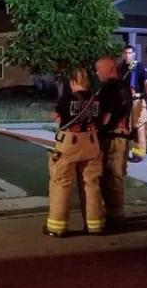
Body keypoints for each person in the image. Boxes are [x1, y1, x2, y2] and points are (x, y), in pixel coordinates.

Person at [44, 67, 104, 237]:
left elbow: (57, 117)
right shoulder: (96, 99)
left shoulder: (67, 98)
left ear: (71, 82)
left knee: (61, 183)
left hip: (70, 143)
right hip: (92, 142)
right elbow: (100, 119)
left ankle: (57, 227)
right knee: (91, 184)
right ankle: (95, 225)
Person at [96, 57, 132, 228]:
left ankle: (115, 216)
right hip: (123, 137)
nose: (96, 73)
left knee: (111, 176)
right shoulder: (123, 87)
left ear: (109, 69)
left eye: (98, 69)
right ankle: (116, 213)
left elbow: (107, 115)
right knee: (116, 176)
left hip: (112, 137)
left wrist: (99, 131)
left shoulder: (109, 88)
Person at [119, 45, 147, 161]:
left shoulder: (139, 66)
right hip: (125, 102)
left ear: (134, 54)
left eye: (129, 53)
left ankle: (138, 154)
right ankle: (126, 153)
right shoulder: (121, 68)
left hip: (138, 100)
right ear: (123, 55)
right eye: (125, 53)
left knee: (139, 128)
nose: (127, 55)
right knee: (126, 128)